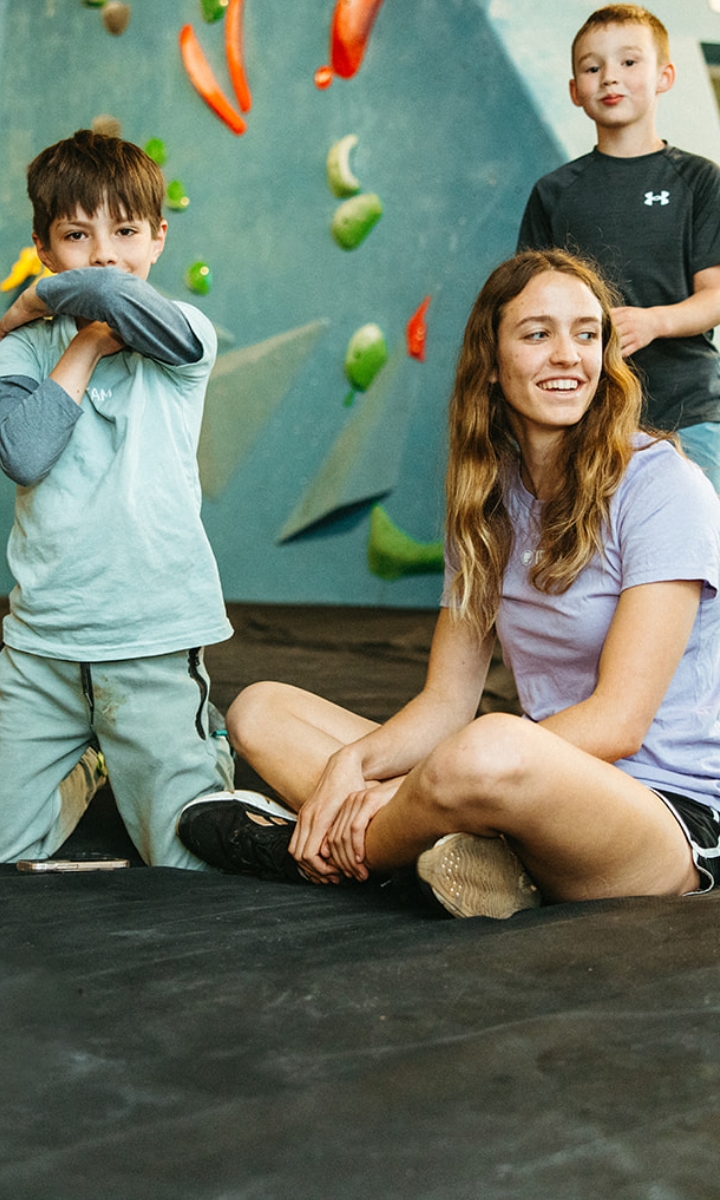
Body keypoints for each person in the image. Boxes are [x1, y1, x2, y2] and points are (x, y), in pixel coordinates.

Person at [177, 248, 720, 918]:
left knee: (491, 746)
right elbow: (445, 703)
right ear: (491, 363)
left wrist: (402, 790)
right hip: (518, 786)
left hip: (662, 819)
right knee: (262, 711)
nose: (568, 356)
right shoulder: (490, 500)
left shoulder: (663, 485)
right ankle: (450, 853)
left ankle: (327, 854)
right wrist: (359, 765)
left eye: (587, 334)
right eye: (537, 334)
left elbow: (618, 724)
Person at [0, 128, 236, 868]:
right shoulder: (22, 352)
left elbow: (107, 290)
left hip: (150, 640)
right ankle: (87, 765)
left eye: (126, 231)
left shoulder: (184, 334)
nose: (104, 252)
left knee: (187, 857)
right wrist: (83, 346)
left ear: (160, 240)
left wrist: (24, 301)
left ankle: (190, 754)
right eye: (77, 234)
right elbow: (26, 453)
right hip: (43, 649)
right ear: (43, 244)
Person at [517, 4, 720, 490]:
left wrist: (654, 322)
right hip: (586, 420)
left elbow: (715, 296)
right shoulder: (553, 192)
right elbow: (527, 308)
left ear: (664, 76)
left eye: (629, 62)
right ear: (574, 90)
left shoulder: (699, 180)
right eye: (592, 67)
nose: (610, 78)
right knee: (597, 561)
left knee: (700, 556)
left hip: (689, 414)